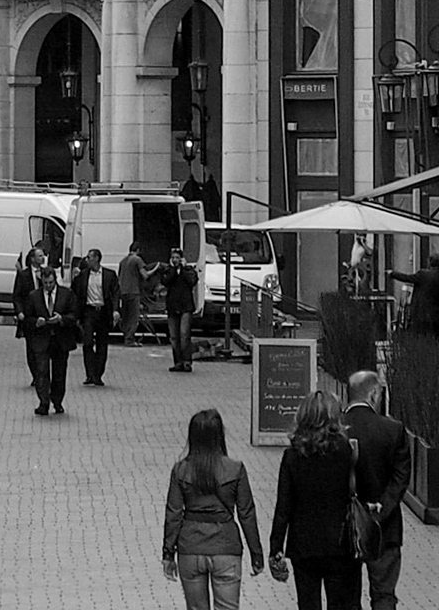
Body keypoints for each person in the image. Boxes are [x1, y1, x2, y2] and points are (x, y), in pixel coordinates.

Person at [270, 389, 364, 610]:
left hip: (303, 544)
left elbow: (284, 506)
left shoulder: (293, 455)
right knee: (339, 603)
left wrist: (276, 547)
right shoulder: (345, 451)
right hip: (339, 541)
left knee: (308, 603)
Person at [164, 407, 265, 610]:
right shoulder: (235, 469)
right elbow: (246, 513)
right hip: (226, 547)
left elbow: (173, 513)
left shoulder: (181, 470)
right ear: (220, 436)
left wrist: (168, 553)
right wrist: (256, 553)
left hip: (190, 546)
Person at [343, 370, 411, 610]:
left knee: (346, 597)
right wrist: (382, 507)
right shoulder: (393, 430)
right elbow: (400, 478)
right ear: (373, 394)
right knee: (384, 594)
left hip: (345, 526)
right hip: (384, 527)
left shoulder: (336, 429)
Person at [25, 262, 81, 416]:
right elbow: (27, 319)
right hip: (41, 340)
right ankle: (43, 402)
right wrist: (36, 322)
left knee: (59, 373)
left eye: (50, 283)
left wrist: (61, 319)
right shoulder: (34, 296)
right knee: (41, 372)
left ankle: (57, 401)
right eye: (45, 283)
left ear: (55, 280)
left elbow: (74, 315)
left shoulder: (66, 294)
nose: (48, 286)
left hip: (60, 339)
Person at [72, 246, 118, 386]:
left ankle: (98, 374)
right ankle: (90, 373)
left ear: (97, 258)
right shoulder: (83, 275)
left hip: (103, 311)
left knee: (102, 344)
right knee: (87, 342)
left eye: (89, 257)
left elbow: (115, 293)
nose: (87, 260)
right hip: (89, 312)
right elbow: (75, 292)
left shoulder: (109, 275)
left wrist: (115, 310)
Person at [389, 247, 439, 337]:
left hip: (422, 315)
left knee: (423, 338)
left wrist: (393, 274)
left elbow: (407, 278)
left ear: (429, 262)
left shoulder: (423, 275)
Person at [12, 245, 47, 385]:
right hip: (29, 315)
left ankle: (43, 373)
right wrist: (19, 311)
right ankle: (35, 375)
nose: (43, 258)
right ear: (32, 259)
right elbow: (17, 295)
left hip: (43, 314)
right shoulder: (23, 275)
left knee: (43, 346)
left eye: (43, 255)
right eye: (40, 255)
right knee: (31, 347)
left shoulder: (46, 272)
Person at [162, 247, 201, 371]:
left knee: (184, 335)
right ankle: (178, 362)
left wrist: (183, 269)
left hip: (185, 306)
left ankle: (187, 362)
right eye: (173, 258)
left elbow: (192, 281)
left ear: (182, 259)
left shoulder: (189, 270)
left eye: (177, 258)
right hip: (173, 307)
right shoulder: (168, 270)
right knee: (174, 337)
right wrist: (173, 269)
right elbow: (165, 281)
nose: (175, 260)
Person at [117, 240, 158, 346]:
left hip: (123, 292)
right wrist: (156, 268)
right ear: (138, 250)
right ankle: (130, 340)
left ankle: (126, 337)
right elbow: (145, 275)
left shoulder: (123, 261)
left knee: (126, 316)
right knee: (133, 317)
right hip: (133, 291)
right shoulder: (137, 260)